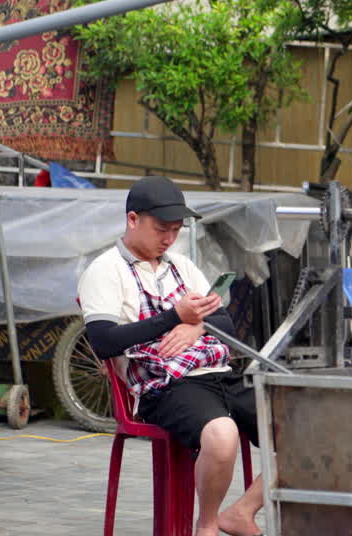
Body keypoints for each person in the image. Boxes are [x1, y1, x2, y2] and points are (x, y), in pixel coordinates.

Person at [78, 176, 262, 536]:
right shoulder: (104, 271)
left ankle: (242, 511)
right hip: (165, 386)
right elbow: (103, 341)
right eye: (162, 229)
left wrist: (196, 327)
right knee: (222, 436)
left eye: (176, 230)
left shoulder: (181, 266)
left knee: (300, 428)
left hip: (218, 373)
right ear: (133, 220)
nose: (169, 238)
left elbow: (222, 319)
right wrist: (174, 317)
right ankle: (206, 526)